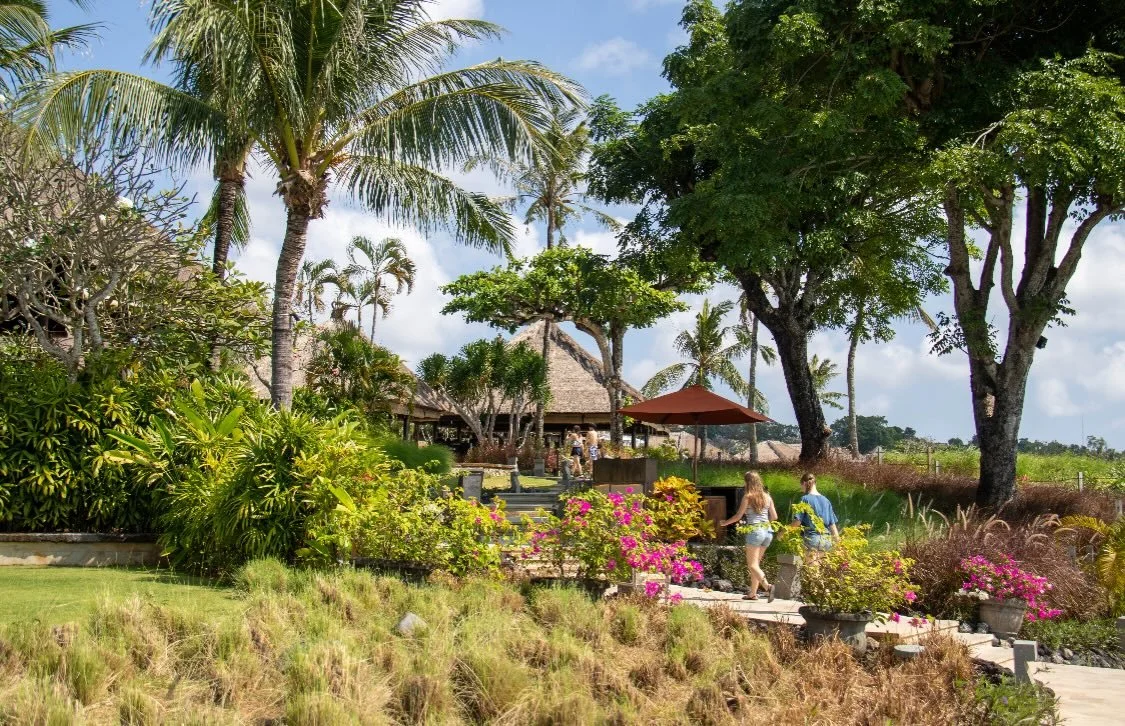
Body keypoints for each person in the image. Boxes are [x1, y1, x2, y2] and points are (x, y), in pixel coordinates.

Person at [721, 471, 778, 601]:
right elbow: (774, 517)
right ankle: (753, 593)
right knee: (756, 564)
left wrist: (725, 523)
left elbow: (738, 516)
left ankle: (768, 587)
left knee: (752, 565)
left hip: (755, 532)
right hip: (768, 532)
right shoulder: (767, 496)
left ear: (747, 482)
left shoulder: (748, 497)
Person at [792, 473, 839, 557]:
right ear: (815, 483)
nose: (801, 489)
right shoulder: (826, 500)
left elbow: (797, 522)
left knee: (812, 568)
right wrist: (838, 543)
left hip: (812, 538)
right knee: (818, 568)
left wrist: (783, 532)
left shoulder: (805, 499)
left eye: (801, 486)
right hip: (826, 540)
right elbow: (832, 525)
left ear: (804, 484)